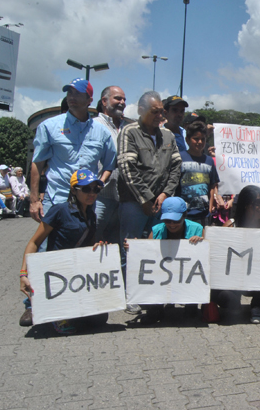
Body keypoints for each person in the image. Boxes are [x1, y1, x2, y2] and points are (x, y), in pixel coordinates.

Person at [18, 169, 108, 333]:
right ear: (73, 190)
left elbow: (88, 246)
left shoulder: (91, 215)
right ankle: (38, 307)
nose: (92, 193)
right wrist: (23, 273)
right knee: (67, 326)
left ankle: (71, 309)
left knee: (99, 320)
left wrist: (97, 247)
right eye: (86, 189)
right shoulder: (59, 211)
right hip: (56, 273)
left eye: (96, 189)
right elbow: (34, 242)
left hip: (77, 274)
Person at [117, 91, 182, 315]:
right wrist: (145, 198)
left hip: (160, 203)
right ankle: (131, 296)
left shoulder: (168, 136)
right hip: (133, 204)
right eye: (155, 112)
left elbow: (176, 168)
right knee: (131, 247)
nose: (160, 116)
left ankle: (155, 292)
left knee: (157, 247)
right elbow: (127, 169)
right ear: (141, 111)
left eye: (162, 112)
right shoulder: (129, 132)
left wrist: (165, 194)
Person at [30, 78, 116, 223]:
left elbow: (109, 165)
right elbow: (37, 164)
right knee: (46, 245)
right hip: (56, 200)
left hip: (87, 205)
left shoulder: (102, 132)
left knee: (82, 245)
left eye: (77, 93)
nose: (71, 97)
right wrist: (34, 200)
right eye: (69, 93)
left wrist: (96, 187)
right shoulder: (49, 127)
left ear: (89, 99)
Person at [212, 185, 260, 324]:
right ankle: (234, 305)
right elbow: (217, 252)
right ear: (246, 205)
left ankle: (256, 305)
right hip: (235, 280)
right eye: (259, 203)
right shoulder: (230, 226)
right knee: (222, 295)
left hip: (257, 280)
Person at [136, 197, 204, 324]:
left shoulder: (197, 229)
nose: (172, 224)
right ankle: (155, 308)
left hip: (187, 274)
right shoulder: (156, 231)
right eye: (168, 220)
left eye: (176, 220)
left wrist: (201, 242)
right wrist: (134, 248)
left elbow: (205, 258)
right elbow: (147, 256)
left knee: (191, 315)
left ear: (185, 215)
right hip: (163, 274)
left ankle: (191, 305)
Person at [94, 86, 128, 243]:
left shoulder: (128, 128)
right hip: (99, 197)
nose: (122, 102)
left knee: (116, 246)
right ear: (104, 101)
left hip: (123, 200)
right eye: (117, 98)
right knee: (91, 240)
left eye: (124, 99)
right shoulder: (93, 125)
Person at [179, 120, 220, 227]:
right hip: (183, 214)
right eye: (196, 139)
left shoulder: (209, 160)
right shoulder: (180, 158)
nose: (200, 142)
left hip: (203, 214)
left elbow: (212, 185)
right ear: (187, 140)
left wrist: (210, 208)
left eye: (203, 139)